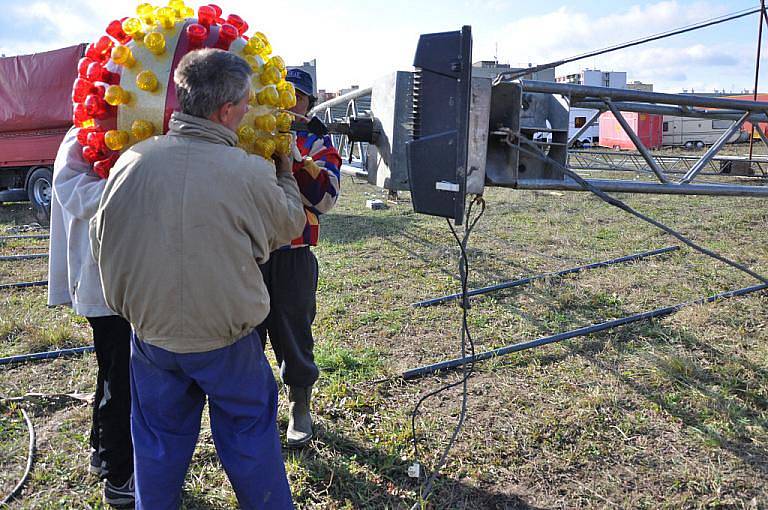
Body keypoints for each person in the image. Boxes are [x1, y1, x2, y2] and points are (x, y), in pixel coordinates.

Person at [90, 48, 306, 509]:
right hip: (228, 342)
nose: (249, 111)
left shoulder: (131, 162)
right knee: (250, 440)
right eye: (246, 103)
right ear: (226, 110)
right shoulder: (249, 173)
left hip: (152, 340)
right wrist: (285, 170)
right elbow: (290, 223)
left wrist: (137, 313)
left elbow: (102, 245)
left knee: (157, 448)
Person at [48, 127, 134, 507]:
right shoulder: (85, 131)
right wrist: (137, 187)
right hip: (103, 279)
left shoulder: (130, 123)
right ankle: (119, 474)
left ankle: (102, 450)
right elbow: (71, 189)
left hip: (124, 276)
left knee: (114, 371)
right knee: (122, 377)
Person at [256, 68, 342, 448]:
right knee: (245, 335)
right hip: (251, 253)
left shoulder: (320, 146)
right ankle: (253, 408)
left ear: (310, 104)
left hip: (294, 253)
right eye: (284, 97)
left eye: (300, 99)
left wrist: (294, 158)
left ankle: (299, 406)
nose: (291, 106)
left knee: (294, 334)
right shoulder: (252, 136)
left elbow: (325, 199)